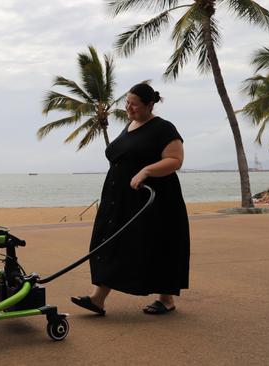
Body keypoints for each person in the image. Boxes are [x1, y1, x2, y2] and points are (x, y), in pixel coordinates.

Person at [71, 83, 190, 316]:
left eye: (134, 104)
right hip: (119, 199)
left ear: (149, 104)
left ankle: (166, 299)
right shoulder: (130, 126)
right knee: (109, 242)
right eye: (127, 102)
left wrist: (146, 171)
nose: (129, 107)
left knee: (157, 246)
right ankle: (98, 298)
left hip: (152, 201)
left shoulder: (164, 128)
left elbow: (175, 160)